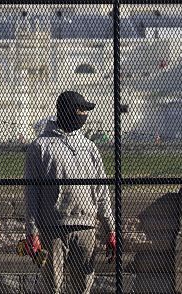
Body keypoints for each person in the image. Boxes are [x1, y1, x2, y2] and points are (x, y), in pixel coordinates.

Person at [24, 91, 116, 294]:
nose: (84, 114)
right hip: (51, 228)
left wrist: (111, 228)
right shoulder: (40, 147)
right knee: (52, 288)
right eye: (81, 110)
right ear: (67, 112)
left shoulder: (90, 147)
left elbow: (101, 192)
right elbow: (31, 193)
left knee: (83, 288)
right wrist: (32, 231)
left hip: (86, 227)